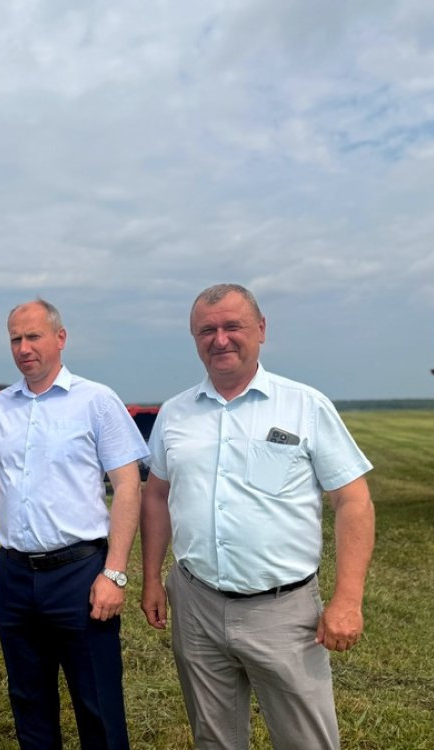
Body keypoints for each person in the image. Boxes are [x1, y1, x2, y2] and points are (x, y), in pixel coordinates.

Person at [140, 283, 376, 750]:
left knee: (306, 742)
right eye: (207, 330)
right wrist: (151, 579)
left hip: (283, 612)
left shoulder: (305, 406)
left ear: (262, 329)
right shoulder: (175, 413)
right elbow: (156, 495)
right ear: (194, 338)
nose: (220, 339)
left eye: (233, 326)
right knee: (215, 739)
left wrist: (348, 600)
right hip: (196, 605)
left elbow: (354, 501)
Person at [0, 299, 148, 750]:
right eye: (15, 339)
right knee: (28, 701)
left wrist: (115, 572)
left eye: (34, 336)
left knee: (97, 703)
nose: (24, 348)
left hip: (80, 574)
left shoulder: (96, 401)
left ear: (60, 338)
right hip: (14, 574)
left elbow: (128, 486)